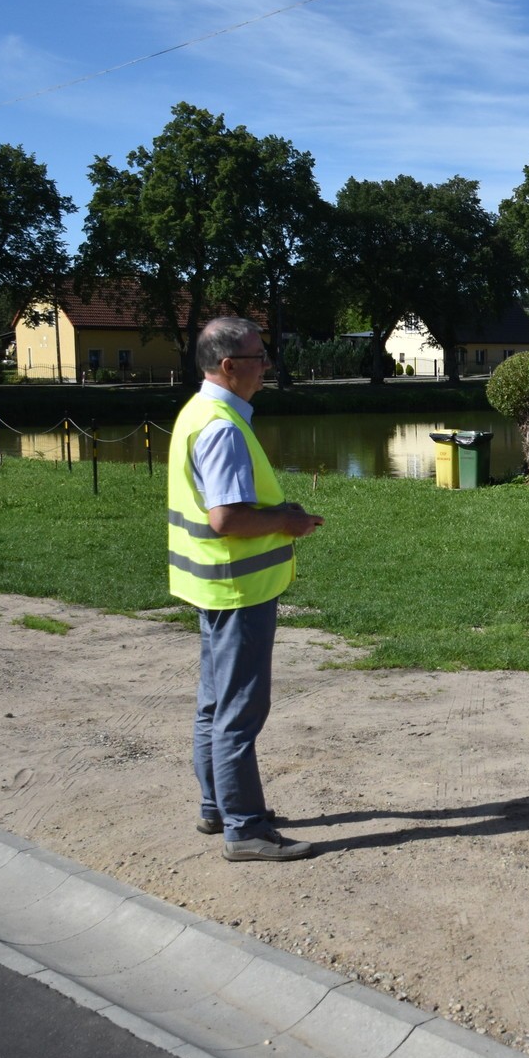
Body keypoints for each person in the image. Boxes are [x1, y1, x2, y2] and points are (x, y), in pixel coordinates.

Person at [167, 317, 325, 862]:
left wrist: (279, 514)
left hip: (214, 585)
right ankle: (246, 829)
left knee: (214, 704)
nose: (267, 367)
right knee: (240, 710)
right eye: (260, 358)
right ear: (229, 366)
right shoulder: (223, 428)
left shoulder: (198, 412)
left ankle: (217, 806)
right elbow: (227, 518)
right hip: (240, 589)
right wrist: (287, 521)